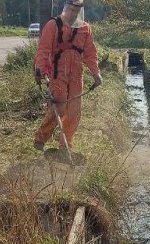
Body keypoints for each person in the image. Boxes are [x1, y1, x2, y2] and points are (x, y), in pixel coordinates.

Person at [33, 0, 102, 154]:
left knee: (74, 111)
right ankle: (41, 138)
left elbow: (90, 53)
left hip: (77, 76)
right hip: (57, 75)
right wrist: (39, 70)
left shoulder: (85, 28)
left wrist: (96, 72)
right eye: (70, 10)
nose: (73, 13)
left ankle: (65, 145)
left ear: (80, 11)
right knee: (59, 106)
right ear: (65, 9)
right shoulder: (53, 25)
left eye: (76, 10)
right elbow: (43, 50)